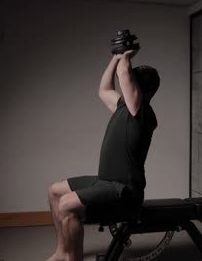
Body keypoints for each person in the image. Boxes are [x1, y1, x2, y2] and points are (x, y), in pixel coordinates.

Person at [46, 49, 159, 261]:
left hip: (124, 191)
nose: (128, 82)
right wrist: (116, 57)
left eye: (133, 81)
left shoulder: (142, 112)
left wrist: (126, 54)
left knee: (66, 204)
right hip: (105, 182)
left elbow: (124, 74)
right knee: (54, 191)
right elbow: (104, 89)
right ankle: (62, 252)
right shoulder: (124, 106)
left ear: (143, 92)